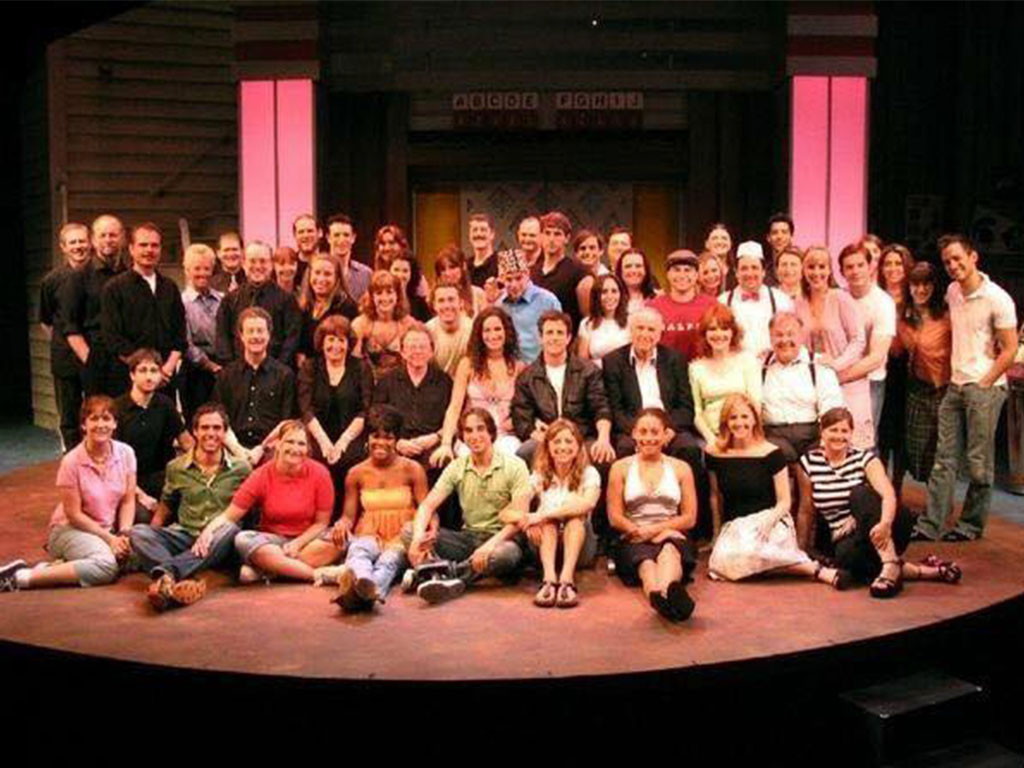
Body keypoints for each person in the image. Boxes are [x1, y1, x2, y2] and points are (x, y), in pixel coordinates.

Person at [913, 234, 1018, 542]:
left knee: (978, 463)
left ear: (974, 257)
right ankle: (931, 524)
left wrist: (984, 383)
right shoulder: (952, 291)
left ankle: (970, 526)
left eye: (958, 258)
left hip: (984, 388)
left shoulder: (997, 298)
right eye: (947, 261)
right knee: (943, 460)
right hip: (955, 386)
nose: (953, 265)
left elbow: (1010, 349)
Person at [798, 407, 961, 596]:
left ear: (851, 434)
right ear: (822, 432)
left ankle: (890, 563)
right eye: (833, 430)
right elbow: (805, 509)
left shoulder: (865, 458)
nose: (839, 436)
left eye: (844, 431)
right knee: (847, 560)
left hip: (889, 524)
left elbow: (888, 495)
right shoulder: (809, 462)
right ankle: (927, 571)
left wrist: (884, 523)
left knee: (860, 494)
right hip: (852, 538)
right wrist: (801, 550)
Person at [706, 394, 847, 587]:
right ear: (725, 422)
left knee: (746, 556)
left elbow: (784, 501)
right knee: (720, 564)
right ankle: (808, 567)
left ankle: (816, 571)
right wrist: (716, 532)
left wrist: (768, 521)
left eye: (745, 417)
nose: (740, 423)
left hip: (771, 520)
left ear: (755, 419)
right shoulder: (714, 453)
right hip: (736, 526)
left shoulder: (772, 453)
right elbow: (715, 496)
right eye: (733, 418)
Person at [0, 396, 136, 592]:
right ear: (83, 425)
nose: (100, 425)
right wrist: (110, 540)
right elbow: (74, 515)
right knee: (107, 567)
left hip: (108, 530)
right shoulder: (71, 462)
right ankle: (20, 577)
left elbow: (128, 501)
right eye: (94, 419)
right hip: (70, 529)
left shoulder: (126, 453)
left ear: (115, 424)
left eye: (106, 419)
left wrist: (124, 535)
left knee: (138, 556)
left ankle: (54, 568)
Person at [128, 403, 251, 611]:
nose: (210, 433)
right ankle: (183, 580)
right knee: (139, 532)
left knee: (230, 529)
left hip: (220, 542)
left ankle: (166, 574)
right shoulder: (176, 468)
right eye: (204, 428)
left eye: (217, 428)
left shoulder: (241, 468)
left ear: (225, 432)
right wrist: (153, 532)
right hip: (185, 536)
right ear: (194, 431)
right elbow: (166, 504)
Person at [406, 408, 533, 603]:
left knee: (506, 555)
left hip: (502, 540)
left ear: (491, 433)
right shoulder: (457, 466)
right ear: (463, 436)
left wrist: (489, 546)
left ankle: (442, 574)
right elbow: (427, 506)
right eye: (468, 430)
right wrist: (416, 541)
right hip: (468, 538)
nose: (474, 436)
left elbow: (519, 519)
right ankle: (449, 573)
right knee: (408, 531)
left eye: (480, 429)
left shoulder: (515, 465)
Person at [196, 420, 340, 584]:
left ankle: (270, 569)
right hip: (273, 542)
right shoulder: (261, 475)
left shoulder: (320, 473)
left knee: (340, 541)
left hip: (308, 539)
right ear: (277, 444)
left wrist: (297, 544)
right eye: (290, 441)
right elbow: (230, 516)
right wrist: (208, 531)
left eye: (301, 444)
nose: (295, 449)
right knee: (243, 539)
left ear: (307, 449)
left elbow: (322, 523)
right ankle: (316, 575)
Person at [322, 406, 429, 612]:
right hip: (370, 532)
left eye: (388, 437)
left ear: (397, 440)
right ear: (367, 438)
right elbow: (348, 516)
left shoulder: (412, 469)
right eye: (375, 436)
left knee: (388, 561)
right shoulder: (356, 473)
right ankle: (365, 588)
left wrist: (429, 532)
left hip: (401, 535)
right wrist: (340, 525)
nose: (381, 443)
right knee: (358, 551)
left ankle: (357, 595)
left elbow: (427, 508)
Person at [606, 408, 697, 621]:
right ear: (634, 434)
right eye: (643, 432)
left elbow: (690, 517)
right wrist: (640, 532)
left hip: (672, 532)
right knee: (646, 565)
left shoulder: (681, 468)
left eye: (655, 432)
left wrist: (658, 531)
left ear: (666, 435)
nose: (649, 438)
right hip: (632, 534)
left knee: (669, 553)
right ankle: (661, 597)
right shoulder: (620, 468)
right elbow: (615, 516)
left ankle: (667, 594)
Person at [509, 419, 600, 608]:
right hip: (544, 545)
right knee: (548, 524)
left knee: (574, 519)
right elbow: (514, 509)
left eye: (568, 441)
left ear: (578, 446)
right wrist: (528, 520)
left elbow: (587, 503)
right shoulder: (539, 474)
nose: (563, 447)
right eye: (557, 442)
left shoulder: (589, 472)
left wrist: (543, 514)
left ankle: (567, 581)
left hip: (581, 546)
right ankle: (549, 581)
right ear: (548, 447)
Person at [511, 310, 616, 467]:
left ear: (568, 338)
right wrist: (541, 436)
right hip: (546, 438)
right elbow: (521, 417)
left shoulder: (588, 371)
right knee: (525, 453)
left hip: (582, 437)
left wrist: (603, 438)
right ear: (541, 338)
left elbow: (601, 407)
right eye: (549, 333)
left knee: (601, 455)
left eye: (560, 333)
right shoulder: (527, 377)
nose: (554, 337)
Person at [796, 245, 871, 448]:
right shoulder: (799, 302)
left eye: (822, 266)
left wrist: (836, 364)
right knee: (825, 446)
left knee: (854, 446)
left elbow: (858, 340)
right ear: (803, 269)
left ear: (830, 270)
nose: (817, 272)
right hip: (817, 386)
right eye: (811, 266)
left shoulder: (841, 298)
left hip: (848, 383)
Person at [602, 307, 699, 462]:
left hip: (669, 427)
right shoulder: (613, 361)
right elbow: (616, 409)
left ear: (660, 334)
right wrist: (641, 433)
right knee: (625, 448)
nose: (645, 334)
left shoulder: (675, 359)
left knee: (689, 448)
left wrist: (669, 430)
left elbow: (686, 407)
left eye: (651, 329)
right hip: (632, 429)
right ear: (630, 331)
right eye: (640, 328)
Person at [100, 222, 186, 395]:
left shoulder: (170, 287)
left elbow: (180, 335)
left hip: (165, 379)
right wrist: (145, 372)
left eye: (154, 245)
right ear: (131, 249)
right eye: (143, 245)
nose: (149, 250)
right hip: (127, 380)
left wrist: (165, 370)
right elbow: (112, 338)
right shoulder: (114, 288)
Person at [297, 315, 374, 508]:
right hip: (318, 434)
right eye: (330, 339)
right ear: (322, 342)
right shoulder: (310, 367)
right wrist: (325, 443)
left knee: (350, 460)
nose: (336, 346)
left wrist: (342, 443)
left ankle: (348, 518)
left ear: (349, 344)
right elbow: (306, 409)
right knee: (315, 460)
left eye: (341, 340)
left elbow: (364, 410)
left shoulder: (361, 368)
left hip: (352, 435)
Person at [433, 307, 524, 465]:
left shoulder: (519, 368)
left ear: (507, 332)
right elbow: (454, 408)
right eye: (487, 330)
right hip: (472, 435)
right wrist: (446, 444)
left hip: (505, 436)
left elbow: (525, 409)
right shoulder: (467, 365)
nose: (493, 335)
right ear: (479, 335)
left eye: (497, 329)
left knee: (508, 456)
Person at [113, 348, 192, 520]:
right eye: (142, 371)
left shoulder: (165, 404)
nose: (149, 377)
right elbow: (115, 464)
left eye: (154, 371)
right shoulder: (117, 409)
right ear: (132, 375)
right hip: (129, 482)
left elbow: (186, 442)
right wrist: (142, 497)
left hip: (164, 479)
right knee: (142, 516)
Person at [212, 306, 296, 465]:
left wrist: (262, 448)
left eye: (260, 331)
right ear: (241, 336)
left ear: (269, 335)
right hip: (231, 449)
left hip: (272, 450)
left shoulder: (285, 375)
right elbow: (219, 418)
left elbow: (287, 421)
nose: (255, 336)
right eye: (250, 331)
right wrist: (237, 450)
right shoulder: (226, 376)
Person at [761, 312, 844, 464]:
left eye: (790, 334)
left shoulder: (818, 365)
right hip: (774, 436)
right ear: (770, 338)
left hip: (811, 435)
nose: (785, 340)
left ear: (801, 336)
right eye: (778, 335)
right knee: (775, 453)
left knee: (815, 458)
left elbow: (831, 408)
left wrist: (825, 440)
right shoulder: (760, 366)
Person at [57, 215, 125, 397]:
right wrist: (90, 361)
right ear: (94, 240)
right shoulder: (78, 277)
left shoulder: (130, 276)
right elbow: (70, 327)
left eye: (113, 235)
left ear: (122, 238)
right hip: (96, 362)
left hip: (127, 362)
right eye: (102, 235)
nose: (108, 240)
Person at [897, 262, 951, 483]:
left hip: (943, 391)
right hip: (915, 389)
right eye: (915, 284)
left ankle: (938, 510)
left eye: (926, 284)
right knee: (916, 450)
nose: (920, 290)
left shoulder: (947, 316)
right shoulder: (903, 316)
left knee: (940, 453)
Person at [41, 222, 91, 449]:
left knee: (97, 410)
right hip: (65, 359)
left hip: (95, 356)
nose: (79, 246)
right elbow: (47, 320)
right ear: (63, 247)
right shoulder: (51, 281)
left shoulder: (99, 275)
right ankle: (73, 458)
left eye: (82, 241)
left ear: (89, 242)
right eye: (73, 242)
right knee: (69, 415)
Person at [840, 242, 896, 446]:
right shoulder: (838, 297)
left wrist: (841, 376)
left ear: (870, 266)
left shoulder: (883, 302)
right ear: (842, 272)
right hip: (837, 380)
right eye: (849, 267)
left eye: (860, 265)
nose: (855, 271)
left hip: (869, 381)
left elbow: (876, 357)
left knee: (864, 443)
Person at [214, 240, 302, 367]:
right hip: (238, 375)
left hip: (277, 376)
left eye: (263, 261)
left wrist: (276, 372)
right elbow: (223, 340)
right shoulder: (230, 300)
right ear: (243, 264)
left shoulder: (287, 300)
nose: (258, 266)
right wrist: (234, 371)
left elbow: (291, 342)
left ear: (271, 264)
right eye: (252, 261)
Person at [373, 325, 453, 466]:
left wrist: (436, 437)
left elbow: (453, 417)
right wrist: (396, 442)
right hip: (395, 446)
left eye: (422, 347)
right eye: (412, 347)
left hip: (433, 445)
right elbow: (376, 417)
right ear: (402, 352)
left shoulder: (444, 382)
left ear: (431, 351)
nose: (417, 351)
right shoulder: (387, 381)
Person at [689, 303, 761, 444]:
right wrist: (711, 440)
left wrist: (743, 436)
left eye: (724, 328)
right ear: (705, 334)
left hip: (745, 434)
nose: (718, 334)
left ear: (733, 332)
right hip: (712, 436)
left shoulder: (747, 361)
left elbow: (755, 404)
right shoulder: (695, 368)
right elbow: (696, 412)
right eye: (712, 329)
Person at [877, 244, 914, 495]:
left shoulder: (915, 297)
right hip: (881, 368)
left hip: (907, 371)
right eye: (887, 263)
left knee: (901, 433)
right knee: (882, 431)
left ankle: (897, 487)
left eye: (897, 264)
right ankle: (880, 487)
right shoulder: (877, 296)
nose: (892, 269)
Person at [719, 241, 794, 361]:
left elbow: (791, 338)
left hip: (772, 369)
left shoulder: (782, 300)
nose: (750, 273)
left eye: (754, 268)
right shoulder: (722, 302)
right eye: (744, 268)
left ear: (763, 271)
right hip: (736, 371)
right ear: (736, 272)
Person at [647, 249, 716, 361]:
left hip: (702, 372)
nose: (682, 275)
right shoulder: (652, 308)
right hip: (665, 374)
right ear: (668, 274)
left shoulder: (712, 305)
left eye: (687, 270)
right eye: (676, 270)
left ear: (696, 275)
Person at [180, 243, 223, 424]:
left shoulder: (223, 299)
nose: (202, 273)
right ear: (187, 270)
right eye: (197, 268)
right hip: (195, 373)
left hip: (223, 367)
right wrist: (211, 366)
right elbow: (185, 342)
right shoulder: (181, 302)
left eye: (206, 268)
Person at [496, 248, 561, 363]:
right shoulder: (500, 305)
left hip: (541, 367)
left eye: (518, 278)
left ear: (527, 274)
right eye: (509, 279)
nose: (514, 284)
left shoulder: (547, 300)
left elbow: (560, 336)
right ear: (501, 279)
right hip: (511, 369)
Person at [351, 270, 417, 382]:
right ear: (372, 297)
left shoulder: (409, 324)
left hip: (400, 385)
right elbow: (353, 363)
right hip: (367, 384)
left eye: (389, 292)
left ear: (397, 296)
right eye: (379, 293)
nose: (385, 298)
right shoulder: (360, 324)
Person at [297, 251, 359, 367]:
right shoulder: (302, 306)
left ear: (337, 278)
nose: (321, 278)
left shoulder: (347, 308)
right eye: (317, 273)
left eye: (327, 274)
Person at [532, 210, 587, 330]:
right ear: (540, 236)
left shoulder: (578, 272)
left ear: (566, 238)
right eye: (547, 233)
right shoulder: (532, 271)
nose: (551, 239)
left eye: (557, 234)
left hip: (567, 341)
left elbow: (587, 320)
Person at [577, 273, 631, 367]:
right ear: (596, 296)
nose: (610, 296)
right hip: (598, 377)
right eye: (604, 292)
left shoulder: (631, 321)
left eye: (614, 291)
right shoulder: (586, 324)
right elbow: (583, 362)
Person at [425, 281, 473, 377]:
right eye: (441, 301)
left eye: (451, 300)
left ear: (460, 303)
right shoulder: (427, 332)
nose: (447, 306)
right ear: (434, 305)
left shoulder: (473, 330)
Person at [326, 213, 373, 302]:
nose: (341, 240)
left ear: (353, 238)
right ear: (328, 238)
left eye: (346, 235)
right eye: (336, 235)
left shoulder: (366, 274)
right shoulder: (317, 272)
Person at [434, 244, 486, 317]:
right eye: (443, 269)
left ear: (463, 266)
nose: (448, 273)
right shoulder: (433, 297)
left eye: (452, 267)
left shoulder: (478, 294)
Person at [572, 228, 609, 317]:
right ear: (576, 254)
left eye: (592, 248)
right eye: (583, 248)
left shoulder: (609, 278)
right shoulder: (571, 278)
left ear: (601, 251)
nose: (587, 252)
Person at [615, 247, 660, 317]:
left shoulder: (658, 298)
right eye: (628, 266)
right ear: (620, 271)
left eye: (638, 266)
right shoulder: (613, 299)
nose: (633, 270)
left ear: (646, 270)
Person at [389, 251, 432, 322]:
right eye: (396, 270)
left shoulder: (420, 304)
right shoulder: (382, 299)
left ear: (412, 273)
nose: (400, 275)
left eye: (405, 271)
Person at [466, 212, 498, 288]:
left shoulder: (501, 263)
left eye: (483, 230)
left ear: (492, 234)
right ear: (469, 235)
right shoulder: (465, 266)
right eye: (474, 230)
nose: (478, 234)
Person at [292, 213, 323, 287]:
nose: (305, 236)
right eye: (301, 232)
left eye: (310, 231)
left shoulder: (329, 264)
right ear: (294, 235)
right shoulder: (290, 265)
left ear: (319, 233)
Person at [704, 222, 734, 287]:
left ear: (730, 243)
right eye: (715, 238)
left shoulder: (736, 272)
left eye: (724, 238)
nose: (720, 242)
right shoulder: (699, 270)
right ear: (707, 244)